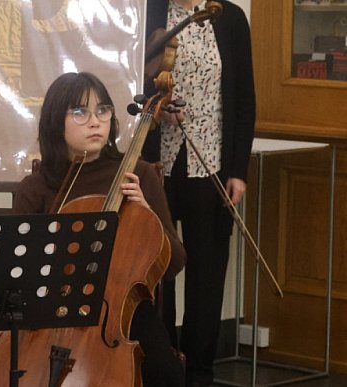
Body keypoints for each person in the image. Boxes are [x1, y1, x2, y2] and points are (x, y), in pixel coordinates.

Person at [0, 72, 186, 387]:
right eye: (80, 112)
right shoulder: (37, 186)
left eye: (102, 110)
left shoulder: (138, 175)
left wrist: (146, 213)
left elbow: (175, 264)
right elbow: (11, 271)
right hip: (47, 309)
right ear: (54, 123)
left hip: (118, 310)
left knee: (165, 374)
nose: (95, 121)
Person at [143, 1, 256, 386]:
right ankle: (164, 364)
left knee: (207, 271)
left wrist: (238, 171)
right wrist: (156, 105)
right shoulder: (151, 12)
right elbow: (131, 78)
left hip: (211, 162)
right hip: (157, 165)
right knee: (159, 267)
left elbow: (244, 98)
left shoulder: (230, 18)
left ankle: (200, 372)